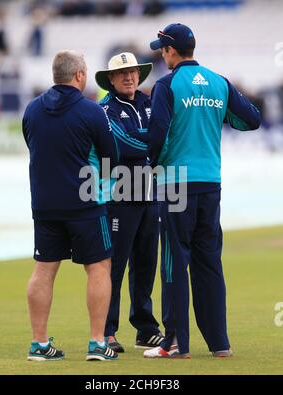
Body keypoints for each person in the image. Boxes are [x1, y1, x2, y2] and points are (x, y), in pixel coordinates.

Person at [144, 24, 261, 358]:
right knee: (209, 263)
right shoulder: (218, 82)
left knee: (173, 263)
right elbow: (251, 119)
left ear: (170, 51)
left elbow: (158, 136)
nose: (161, 56)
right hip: (211, 183)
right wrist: (213, 116)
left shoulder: (167, 85)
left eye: (162, 50)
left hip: (175, 184)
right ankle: (219, 344)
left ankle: (176, 342)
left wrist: (152, 164)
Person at [23, 50, 119, 362]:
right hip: (85, 202)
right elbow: (110, 157)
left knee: (44, 270)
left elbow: (32, 144)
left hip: (45, 204)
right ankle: (96, 342)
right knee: (99, 267)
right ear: (78, 75)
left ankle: (39, 343)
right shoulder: (92, 111)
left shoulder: (32, 110)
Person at [95, 52, 164, 352]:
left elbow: (165, 134)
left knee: (146, 263)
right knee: (115, 265)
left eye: (133, 71)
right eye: (122, 73)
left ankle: (145, 327)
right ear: (110, 79)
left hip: (149, 192)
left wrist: (148, 142)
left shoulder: (149, 103)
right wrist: (153, 142)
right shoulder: (104, 109)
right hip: (119, 195)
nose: (129, 77)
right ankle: (107, 330)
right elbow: (120, 145)